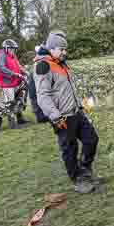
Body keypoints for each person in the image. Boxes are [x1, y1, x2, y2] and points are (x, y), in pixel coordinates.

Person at [34, 30, 100, 194]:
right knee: (69, 149)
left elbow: (69, 89)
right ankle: (78, 180)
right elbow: (43, 96)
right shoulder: (43, 66)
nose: (65, 52)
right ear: (51, 48)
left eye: (65, 49)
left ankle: (84, 169)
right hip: (62, 117)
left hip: (76, 112)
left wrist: (83, 104)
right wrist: (55, 117)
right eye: (61, 49)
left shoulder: (62, 63)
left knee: (91, 139)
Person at [0, 39, 29, 127]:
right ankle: (12, 123)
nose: (13, 50)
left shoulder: (12, 55)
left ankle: (20, 119)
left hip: (15, 81)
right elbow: (0, 67)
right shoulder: (1, 55)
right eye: (11, 49)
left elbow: (18, 65)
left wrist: (25, 72)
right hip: (7, 83)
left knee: (18, 99)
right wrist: (14, 74)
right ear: (6, 48)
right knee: (10, 102)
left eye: (14, 49)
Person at [27, 44, 49, 123]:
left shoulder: (39, 61)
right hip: (34, 82)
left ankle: (41, 115)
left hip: (34, 80)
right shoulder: (38, 62)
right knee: (35, 97)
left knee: (37, 97)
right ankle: (40, 117)